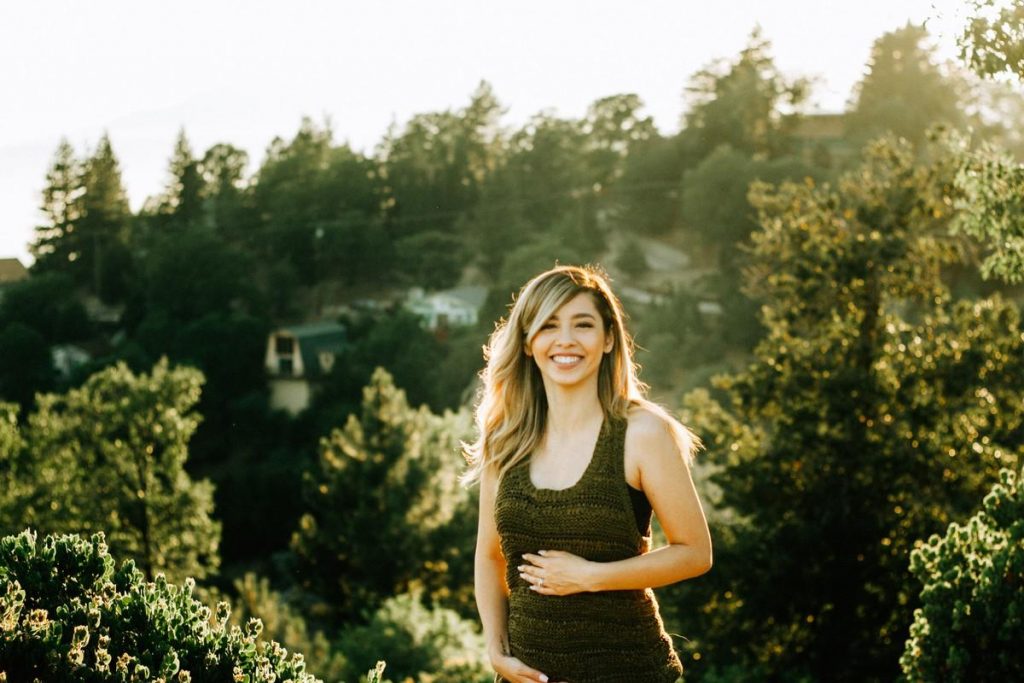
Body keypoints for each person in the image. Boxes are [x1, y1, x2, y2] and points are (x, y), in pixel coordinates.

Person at [462, 264, 713, 683]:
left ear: (609, 338)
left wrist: (590, 577)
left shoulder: (642, 433)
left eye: (583, 324)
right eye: (548, 326)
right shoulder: (505, 442)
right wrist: (495, 648)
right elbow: (489, 556)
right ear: (527, 342)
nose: (566, 340)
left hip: (627, 671)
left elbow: (695, 553)